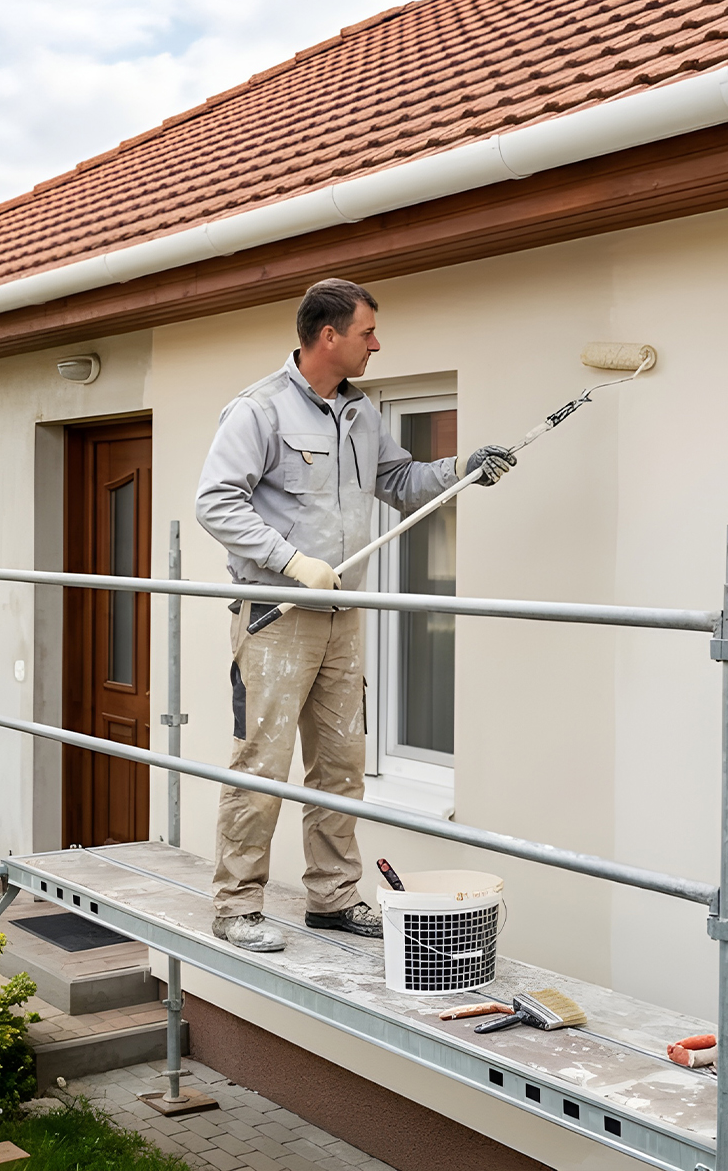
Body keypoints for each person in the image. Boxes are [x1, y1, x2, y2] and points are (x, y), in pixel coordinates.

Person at [194, 278, 516, 951]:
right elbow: (217, 503)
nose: (377, 342)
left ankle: (333, 899)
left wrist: (464, 469)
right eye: (368, 332)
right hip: (278, 615)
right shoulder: (259, 411)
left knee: (340, 768)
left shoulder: (361, 415)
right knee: (261, 765)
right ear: (329, 336)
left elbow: (399, 482)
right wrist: (290, 562)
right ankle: (235, 907)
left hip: (345, 615)